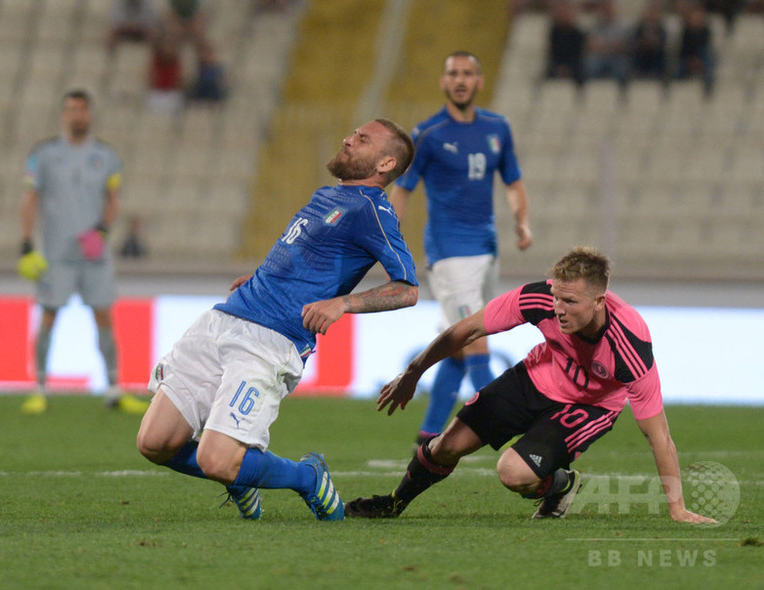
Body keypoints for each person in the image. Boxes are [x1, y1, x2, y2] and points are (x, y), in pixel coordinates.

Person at [136, 119, 420, 521]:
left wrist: (343, 304)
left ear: (386, 163)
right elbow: (304, 254)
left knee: (216, 459)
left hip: (270, 341)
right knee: (154, 442)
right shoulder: (328, 196)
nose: (347, 139)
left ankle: (307, 477)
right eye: (353, 134)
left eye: (362, 139)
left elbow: (408, 288)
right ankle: (241, 479)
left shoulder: (373, 211)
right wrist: (261, 276)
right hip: (224, 319)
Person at [346, 247, 716, 524]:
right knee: (445, 447)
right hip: (535, 378)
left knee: (514, 473)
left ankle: (559, 485)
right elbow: (468, 329)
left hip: (588, 407)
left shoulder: (630, 345)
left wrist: (677, 508)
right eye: (557, 298)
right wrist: (414, 372)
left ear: (600, 301)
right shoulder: (541, 297)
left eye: (570, 302)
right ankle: (393, 503)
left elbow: (659, 435)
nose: (559, 309)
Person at [388, 51, 531, 446]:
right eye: (453, 73)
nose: (461, 79)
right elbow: (403, 189)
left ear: (479, 81)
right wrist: (388, 236)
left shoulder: (497, 128)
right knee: (477, 337)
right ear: (444, 82)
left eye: (468, 73)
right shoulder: (428, 134)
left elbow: (513, 182)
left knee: (456, 342)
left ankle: (429, 430)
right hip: (449, 254)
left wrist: (521, 220)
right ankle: (504, 428)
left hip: (486, 250)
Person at [17, 89, 146, 415]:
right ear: (64, 115)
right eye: (71, 109)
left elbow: (113, 199)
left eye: (82, 109)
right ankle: (39, 389)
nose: (77, 115)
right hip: (57, 253)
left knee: (104, 315)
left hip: (94, 254)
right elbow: (31, 198)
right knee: (48, 315)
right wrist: (26, 242)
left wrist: (102, 230)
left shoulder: (106, 155)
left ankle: (114, 389)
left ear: (89, 115)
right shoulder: (44, 154)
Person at [583, 0, 631, 88]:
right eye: (605, 9)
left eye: (609, 8)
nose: (607, 11)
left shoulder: (622, 26)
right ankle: (593, 91)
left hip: (616, 58)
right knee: (590, 65)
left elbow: (622, 45)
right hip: (599, 57)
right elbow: (592, 45)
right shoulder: (595, 26)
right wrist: (610, 46)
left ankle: (620, 93)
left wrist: (605, 46)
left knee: (622, 67)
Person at [546, 0, 587, 85]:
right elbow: (553, 54)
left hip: (574, 65)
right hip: (558, 65)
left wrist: (568, 69)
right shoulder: (554, 33)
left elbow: (578, 55)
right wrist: (560, 68)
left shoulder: (578, 33)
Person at [631, 0, 669, 81]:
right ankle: (638, 73)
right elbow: (635, 40)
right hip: (642, 53)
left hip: (656, 53)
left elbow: (663, 41)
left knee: (660, 53)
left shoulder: (661, 27)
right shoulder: (640, 27)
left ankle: (657, 74)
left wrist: (654, 42)